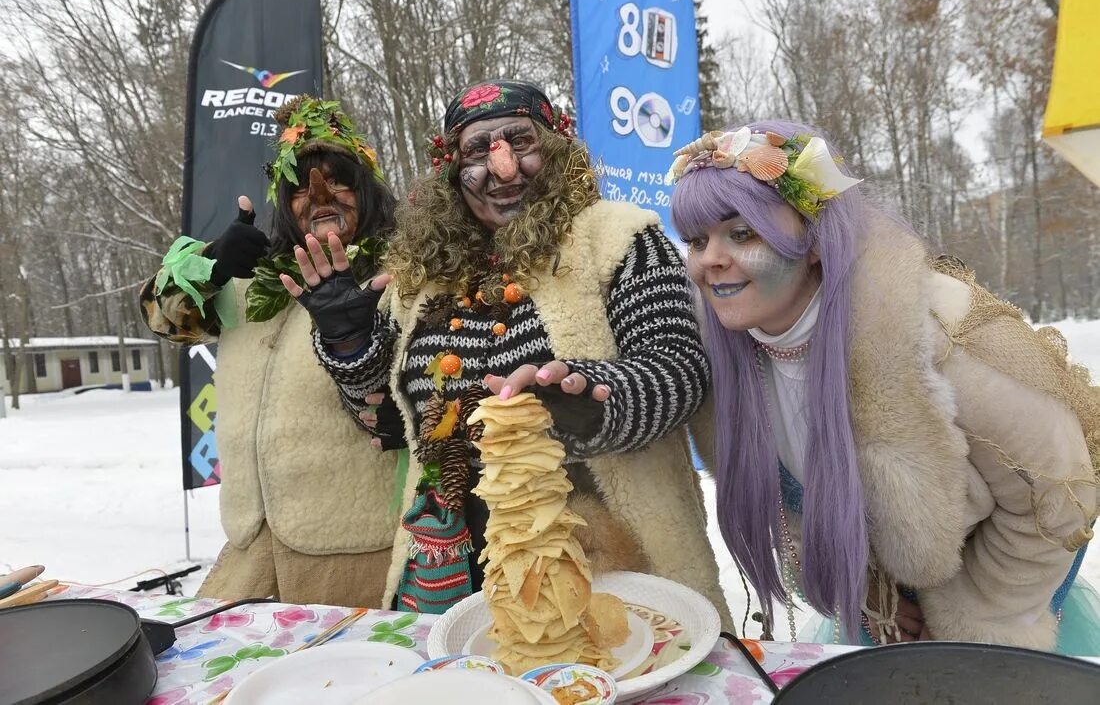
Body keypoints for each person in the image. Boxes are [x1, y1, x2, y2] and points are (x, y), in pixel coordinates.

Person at [282, 79, 730, 623]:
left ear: (556, 149)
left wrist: (590, 400)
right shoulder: (422, 277)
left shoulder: (620, 239)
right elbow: (388, 425)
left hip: (612, 558)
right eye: (478, 151)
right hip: (460, 564)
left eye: (521, 142)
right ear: (451, 173)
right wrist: (349, 341)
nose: (504, 169)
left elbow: (678, 370)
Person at [668, 120, 1100, 652]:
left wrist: (972, 621)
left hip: (1005, 596)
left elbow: (1057, 495)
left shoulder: (941, 334)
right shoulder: (724, 360)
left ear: (814, 242)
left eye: (741, 233)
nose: (709, 260)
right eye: (695, 239)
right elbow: (800, 510)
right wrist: (875, 600)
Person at [140, 96, 405, 606]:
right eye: (301, 184)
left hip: (356, 549)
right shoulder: (250, 283)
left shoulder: (401, 275)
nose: (320, 194)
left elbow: (424, 398)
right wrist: (211, 264)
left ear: (368, 189)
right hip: (250, 547)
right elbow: (160, 316)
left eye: (338, 177)